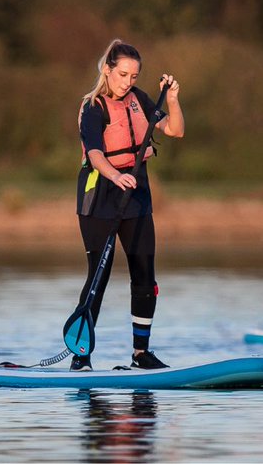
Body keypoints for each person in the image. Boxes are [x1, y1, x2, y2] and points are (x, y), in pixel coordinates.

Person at [73, 40, 184, 371]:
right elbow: (94, 153)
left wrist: (174, 101)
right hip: (101, 198)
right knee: (99, 277)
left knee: (145, 275)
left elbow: (175, 130)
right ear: (108, 70)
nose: (128, 82)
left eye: (134, 76)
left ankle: (141, 354)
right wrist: (114, 174)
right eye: (123, 74)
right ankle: (81, 357)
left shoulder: (140, 100)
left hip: (136, 196)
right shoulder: (93, 107)